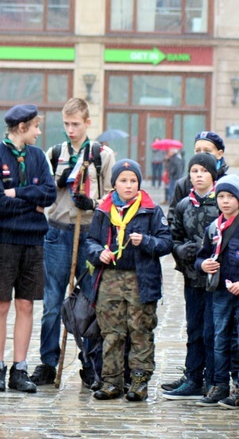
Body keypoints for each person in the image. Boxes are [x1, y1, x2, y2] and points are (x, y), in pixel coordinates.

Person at [30, 98, 115, 387]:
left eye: (76, 124)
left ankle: (89, 362)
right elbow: (42, 190)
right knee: (53, 301)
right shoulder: (54, 153)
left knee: (88, 301)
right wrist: (56, 182)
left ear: (88, 123)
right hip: (57, 231)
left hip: (89, 233)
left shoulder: (102, 154)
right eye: (66, 124)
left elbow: (112, 197)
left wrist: (90, 201)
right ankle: (47, 362)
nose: (71, 130)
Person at [0, 104, 56, 393]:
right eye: (36, 126)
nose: (39, 131)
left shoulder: (38, 156)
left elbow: (48, 194)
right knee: (0, 304)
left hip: (33, 242)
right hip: (2, 242)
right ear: (22, 127)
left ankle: (19, 368)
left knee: (26, 304)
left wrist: (17, 193)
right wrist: (30, 205)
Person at [86, 159, 172, 401]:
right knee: (111, 333)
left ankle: (138, 382)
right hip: (110, 277)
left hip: (140, 278)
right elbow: (90, 241)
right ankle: (111, 381)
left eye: (133, 180)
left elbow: (166, 242)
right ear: (114, 184)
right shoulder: (103, 211)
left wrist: (145, 241)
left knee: (140, 329)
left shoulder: (151, 210)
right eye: (123, 181)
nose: (129, 185)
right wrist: (97, 253)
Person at [164, 153, 220, 400]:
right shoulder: (185, 204)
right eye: (194, 171)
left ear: (212, 174)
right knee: (194, 328)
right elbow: (173, 236)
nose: (198, 175)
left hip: (217, 279)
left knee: (214, 330)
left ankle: (215, 379)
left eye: (203, 171)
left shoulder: (223, 202)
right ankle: (194, 377)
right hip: (192, 277)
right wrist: (179, 249)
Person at [195, 174, 239, 408]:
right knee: (219, 339)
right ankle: (219, 385)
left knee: (238, 342)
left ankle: (238, 387)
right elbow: (201, 256)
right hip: (220, 292)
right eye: (221, 196)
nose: (225, 201)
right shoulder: (213, 227)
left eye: (231, 196)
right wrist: (202, 265)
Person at [168, 132, 230, 223]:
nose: (202, 155)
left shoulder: (228, 183)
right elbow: (173, 218)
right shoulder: (183, 184)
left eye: (207, 151)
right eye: (197, 151)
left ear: (219, 154)